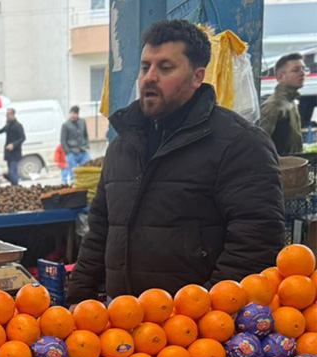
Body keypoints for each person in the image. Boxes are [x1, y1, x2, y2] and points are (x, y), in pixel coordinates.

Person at [66, 20, 284, 303]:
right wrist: (78, 298)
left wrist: (204, 312)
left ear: (197, 77)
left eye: (165, 68)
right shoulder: (123, 145)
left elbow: (256, 242)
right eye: (145, 67)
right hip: (124, 319)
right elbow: (99, 231)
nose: (149, 77)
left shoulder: (239, 144)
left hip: (197, 325)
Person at [261, 52, 307, 156]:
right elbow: (259, 143)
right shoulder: (274, 105)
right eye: (296, 70)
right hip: (280, 165)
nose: (302, 73)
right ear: (280, 77)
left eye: (304, 69)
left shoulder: (291, 102)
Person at [0, 108, 26, 185]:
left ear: (13, 115)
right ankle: (14, 186)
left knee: (13, 172)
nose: (7, 116)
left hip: (15, 153)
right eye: (7, 114)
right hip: (9, 153)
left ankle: (16, 187)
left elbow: (22, 138)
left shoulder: (18, 126)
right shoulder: (8, 125)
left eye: (9, 114)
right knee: (10, 173)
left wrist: (13, 144)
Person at [60, 105, 91, 183]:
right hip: (72, 152)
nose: (72, 115)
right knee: (73, 174)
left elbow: (86, 135)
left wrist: (87, 145)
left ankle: (86, 184)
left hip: (83, 151)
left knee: (88, 168)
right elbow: (63, 140)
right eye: (71, 113)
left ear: (77, 114)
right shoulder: (65, 125)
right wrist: (68, 152)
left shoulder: (82, 122)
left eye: (74, 113)